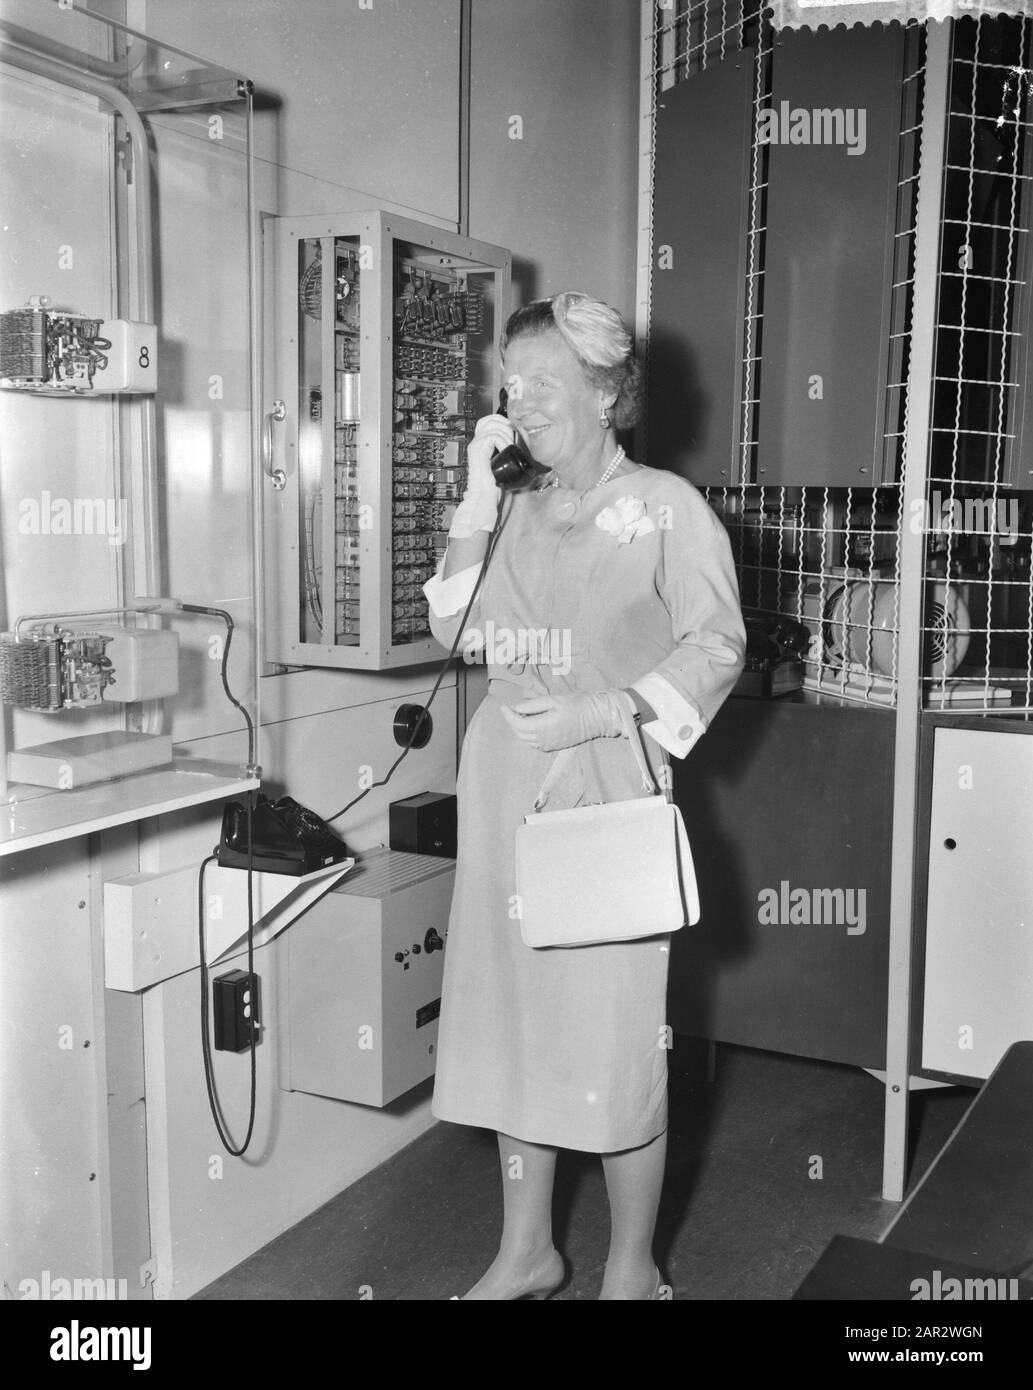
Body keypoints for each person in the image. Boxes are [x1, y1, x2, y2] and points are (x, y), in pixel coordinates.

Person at [422, 291, 745, 1300]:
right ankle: (527, 1249)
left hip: (607, 787)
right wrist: (475, 504)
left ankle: (632, 1266)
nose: (521, 405)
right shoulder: (515, 503)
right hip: (506, 787)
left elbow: (718, 644)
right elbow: (453, 632)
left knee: (611, 1040)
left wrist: (606, 712)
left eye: (546, 385)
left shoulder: (667, 508)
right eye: (511, 387)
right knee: (523, 1024)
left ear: (608, 393)